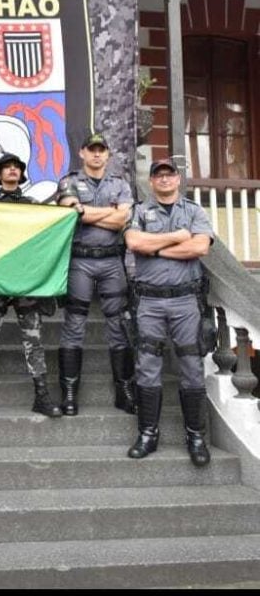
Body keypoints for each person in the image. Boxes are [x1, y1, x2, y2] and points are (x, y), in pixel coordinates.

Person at [124, 158, 214, 467]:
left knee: (191, 366)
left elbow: (199, 248)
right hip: (148, 302)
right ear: (151, 182)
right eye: (158, 175)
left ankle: (196, 437)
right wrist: (176, 238)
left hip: (186, 302)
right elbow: (134, 241)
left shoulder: (194, 211)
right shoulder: (139, 211)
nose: (164, 179)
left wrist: (154, 249)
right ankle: (148, 434)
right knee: (147, 367)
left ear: (177, 180)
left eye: (169, 174)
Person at [0, 153, 62, 420]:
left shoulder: (34, 208)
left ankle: (42, 396)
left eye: (17, 167)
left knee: (34, 341)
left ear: (22, 174)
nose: (13, 170)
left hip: (26, 283)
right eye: (7, 167)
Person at [56, 132, 134, 416]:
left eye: (101, 150)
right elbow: (70, 214)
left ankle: (124, 391)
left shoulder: (120, 184)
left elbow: (123, 219)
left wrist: (86, 212)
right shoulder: (69, 182)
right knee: (74, 325)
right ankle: (69, 393)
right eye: (92, 149)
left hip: (112, 262)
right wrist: (109, 213)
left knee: (119, 325)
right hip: (81, 261)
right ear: (82, 153)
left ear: (108, 154)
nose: (97, 154)